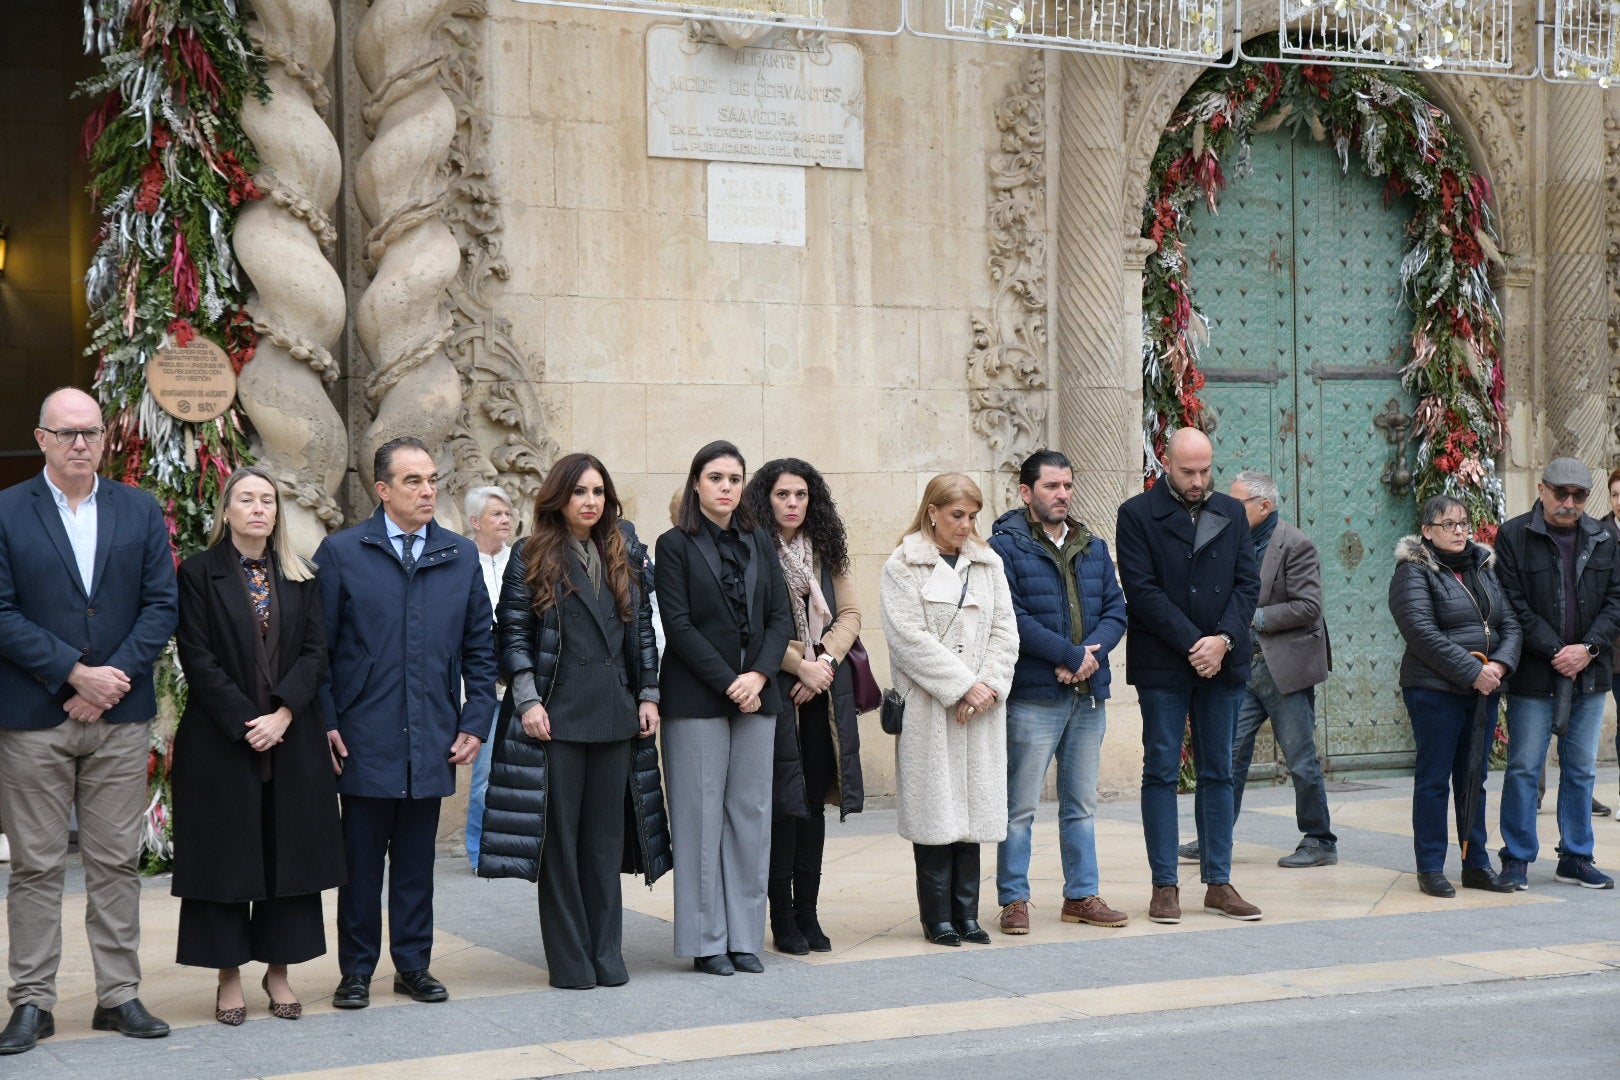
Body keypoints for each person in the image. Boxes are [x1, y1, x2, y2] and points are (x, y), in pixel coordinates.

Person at [0, 387, 179, 1054]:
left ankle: (119, 995)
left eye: (91, 432)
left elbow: (161, 604)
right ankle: (32, 1002)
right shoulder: (7, 511)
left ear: (105, 438)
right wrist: (74, 673)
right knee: (36, 866)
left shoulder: (138, 508)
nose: (81, 443)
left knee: (114, 862)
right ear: (41, 439)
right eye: (67, 432)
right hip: (34, 717)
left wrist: (108, 682)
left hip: (119, 716)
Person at [316, 437, 498, 1009]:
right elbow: (318, 650)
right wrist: (326, 720)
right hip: (363, 733)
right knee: (361, 863)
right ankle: (356, 971)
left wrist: (475, 720)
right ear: (383, 490)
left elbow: (480, 648)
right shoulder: (342, 552)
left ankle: (414, 966)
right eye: (413, 481)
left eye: (432, 480)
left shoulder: (458, 554)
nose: (427, 490)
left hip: (433, 731)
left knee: (417, 862)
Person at [478, 453, 670, 988]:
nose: (590, 501)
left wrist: (648, 694)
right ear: (559, 497)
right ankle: (570, 961)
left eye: (598, 492)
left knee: (604, 843)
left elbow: (641, 631)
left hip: (615, 713)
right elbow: (512, 633)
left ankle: (606, 953)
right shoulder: (531, 552)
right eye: (580, 491)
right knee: (560, 846)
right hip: (555, 717)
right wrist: (527, 701)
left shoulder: (623, 551)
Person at [171, 467, 344, 1024]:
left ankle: (279, 971)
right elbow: (197, 657)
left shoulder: (301, 573)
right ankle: (228, 976)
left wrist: (284, 713)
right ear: (227, 511)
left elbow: (317, 652)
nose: (258, 508)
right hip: (222, 740)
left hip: (292, 738)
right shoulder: (199, 573)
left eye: (267, 500)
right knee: (225, 859)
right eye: (246, 499)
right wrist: (250, 722)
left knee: (286, 855)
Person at [656, 441, 794, 976]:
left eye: (735, 479)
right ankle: (705, 939)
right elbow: (678, 625)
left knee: (751, 816)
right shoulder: (674, 545)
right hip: (697, 699)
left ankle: (743, 938)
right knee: (699, 817)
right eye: (716, 477)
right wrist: (730, 682)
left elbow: (780, 617)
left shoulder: (760, 541)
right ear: (696, 483)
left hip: (758, 695)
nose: (726, 487)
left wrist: (758, 675)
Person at [1115, 428, 1262, 924]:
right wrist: (1194, 644)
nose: (1198, 481)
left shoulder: (1233, 512)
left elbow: (1247, 584)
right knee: (1160, 770)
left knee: (1219, 770)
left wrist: (1223, 640)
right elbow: (1141, 589)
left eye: (1205, 471)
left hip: (1223, 660)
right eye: (1187, 472)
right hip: (1164, 661)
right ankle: (1165, 884)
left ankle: (1219, 882)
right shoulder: (1137, 514)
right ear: (1166, 463)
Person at [987, 450, 1128, 935]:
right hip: (1032, 697)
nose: (1062, 494)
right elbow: (1012, 618)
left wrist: (1089, 657)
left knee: (1081, 805)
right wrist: (1068, 655)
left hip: (1087, 696)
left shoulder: (1092, 545)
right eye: (1051, 486)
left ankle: (1081, 895)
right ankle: (1014, 899)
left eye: (1067, 485)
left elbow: (1116, 610)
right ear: (1026, 492)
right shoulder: (1003, 548)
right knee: (1019, 807)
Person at [881, 473, 1018, 947]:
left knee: (974, 810)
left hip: (982, 710)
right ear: (932, 512)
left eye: (972, 516)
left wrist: (989, 687)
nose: (966, 525)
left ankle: (968, 914)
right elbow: (908, 639)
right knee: (936, 811)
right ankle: (937, 918)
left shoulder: (988, 563)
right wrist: (963, 687)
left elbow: (1005, 631)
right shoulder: (903, 565)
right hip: (930, 709)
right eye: (957, 515)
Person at [1177, 470, 1337, 869]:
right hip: (1241, 668)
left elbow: (1309, 606)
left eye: (1237, 502)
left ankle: (1319, 840)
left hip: (1284, 667)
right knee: (1228, 757)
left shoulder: (1295, 543)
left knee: (1301, 759)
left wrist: (1253, 617)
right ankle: (1215, 837)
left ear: (1264, 506)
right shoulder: (1231, 540)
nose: (1227, 509)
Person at [741, 459, 864, 955]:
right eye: (782, 495)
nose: (793, 504)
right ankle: (783, 917)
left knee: (812, 803)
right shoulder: (751, 547)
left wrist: (824, 664)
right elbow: (751, 624)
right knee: (781, 806)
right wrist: (799, 665)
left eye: (801, 495)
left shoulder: (825, 549)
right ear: (765, 499)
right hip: (775, 689)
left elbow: (850, 614)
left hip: (822, 695)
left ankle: (809, 912)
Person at [1492, 458, 1620, 890]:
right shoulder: (1513, 535)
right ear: (1542, 489)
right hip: (1534, 673)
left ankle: (1576, 856)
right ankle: (1516, 858)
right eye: (1561, 493)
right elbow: (1510, 603)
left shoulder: (1604, 538)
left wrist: (1587, 649)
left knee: (1581, 769)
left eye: (1579, 496)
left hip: (1589, 673)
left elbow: (1617, 601)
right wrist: (1556, 651)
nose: (1569, 503)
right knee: (1525, 767)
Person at [1388, 494, 1522, 897]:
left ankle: (1475, 863)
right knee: (1434, 780)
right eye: (1448, 524)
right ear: (1427, 531)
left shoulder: (1483, 566)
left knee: (1473, 778)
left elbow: (1509, 623)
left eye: (1463, 523)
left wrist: (1499, 666)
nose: (1459, 531)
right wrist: (1473, 672)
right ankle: (1430, 866)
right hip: (1434, 690)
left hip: (1483, 688)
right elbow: (1420, 632)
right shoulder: (1413, 571)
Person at [463, 485, 514, 871]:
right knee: (484, 776)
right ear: (475, 521)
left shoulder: (521, 561)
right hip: (481, 688)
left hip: (522, 686)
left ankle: (516, 848)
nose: (505, 520)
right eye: (496, 514)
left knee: (521, 773)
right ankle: (479, 851)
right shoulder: (462, 563)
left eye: (508, 513)